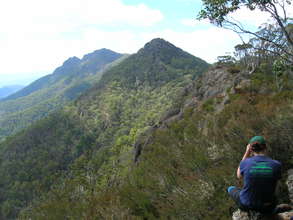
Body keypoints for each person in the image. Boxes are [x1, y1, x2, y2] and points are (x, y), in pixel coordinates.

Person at [227, 136, 282, 214]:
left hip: (248, 204)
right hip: (268, 205)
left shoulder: (246, 163)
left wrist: (246, 153)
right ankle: (271, 211)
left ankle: (249, 213)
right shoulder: (276, 164)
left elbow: (239, 175)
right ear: (265, 147)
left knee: (231, 188)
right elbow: (276, 185)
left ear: (251, 149)